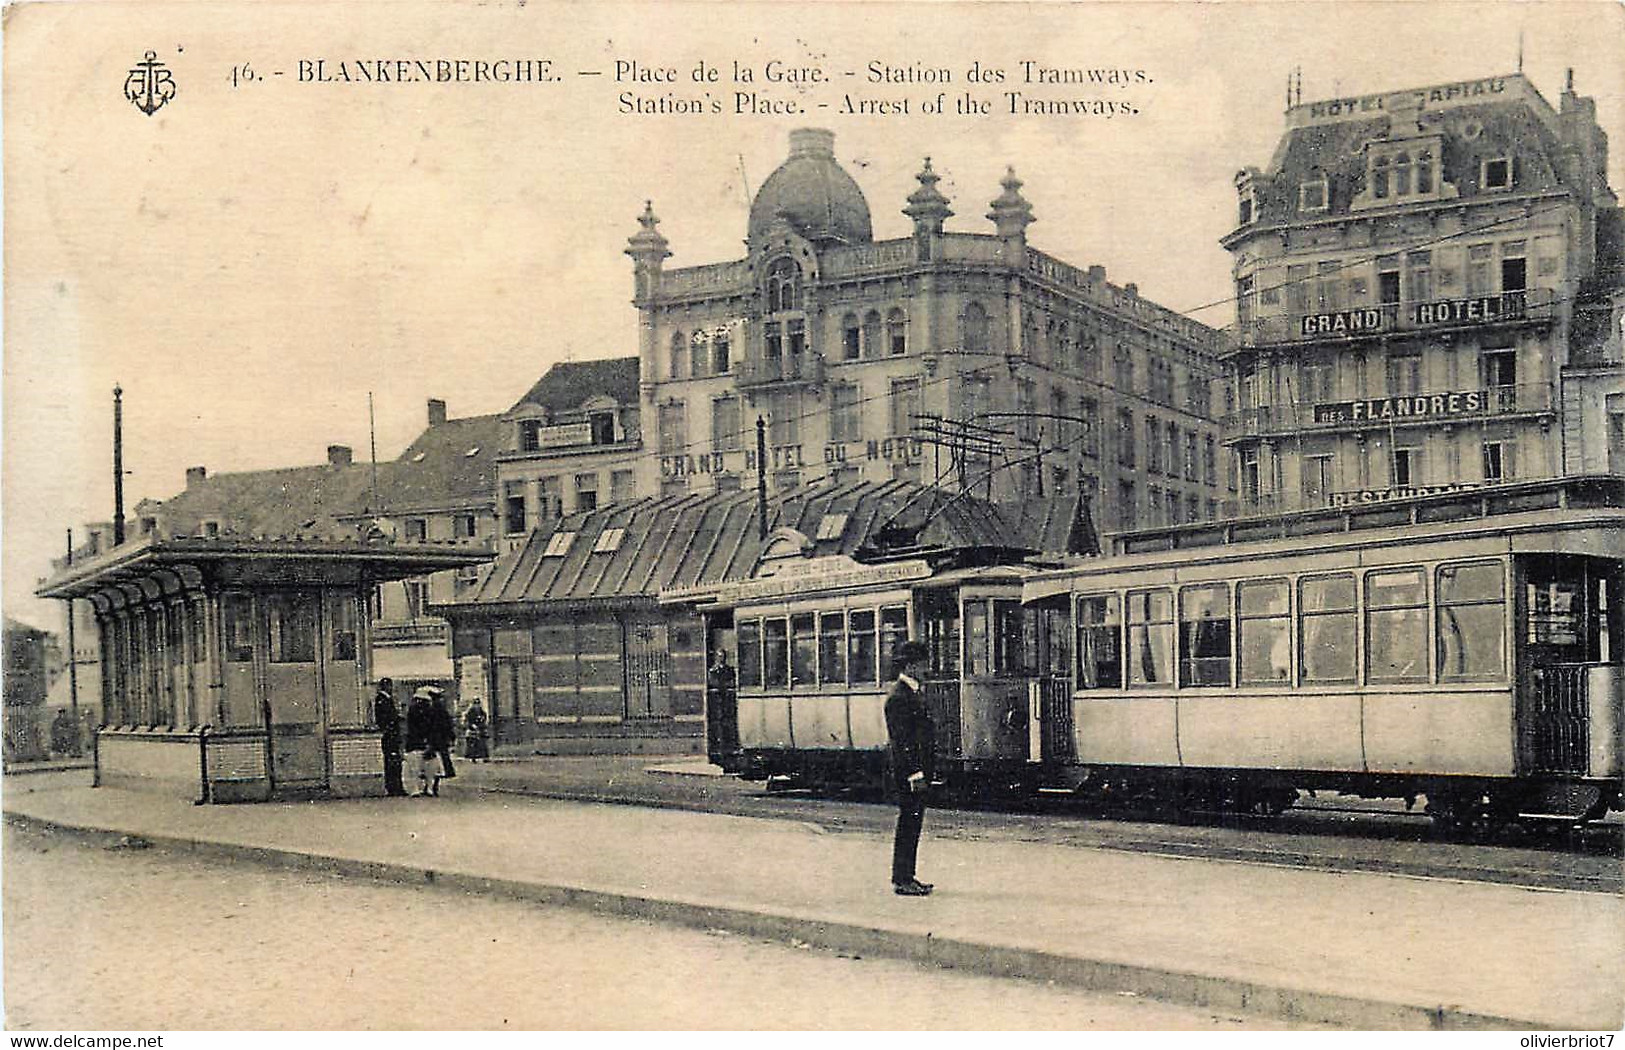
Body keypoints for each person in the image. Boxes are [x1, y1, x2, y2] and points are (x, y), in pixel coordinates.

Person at [884, 640, 935, 897]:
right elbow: (902, 742)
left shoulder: (910, 693)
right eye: (924, 663)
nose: (927, 668)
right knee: (908, 823)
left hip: (915, 771)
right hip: (909, 773)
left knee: (913, 823)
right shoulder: (899, 697)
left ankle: (907, 876)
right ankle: (902, 878)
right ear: (912, 665)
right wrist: (916, 773)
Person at [404, 686, 439, 797]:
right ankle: (428, 787)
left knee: (416, 768)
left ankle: (417, 788)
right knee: (429, 767)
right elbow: (433, 727)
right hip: (424, 742)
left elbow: (411, 728)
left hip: (416, 743)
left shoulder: (413, 710)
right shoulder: (430, 711)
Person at [373, 678, 406, 797]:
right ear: (386, 686)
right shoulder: (382, 699)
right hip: (390, 735)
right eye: (390, 686)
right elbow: (386, 718)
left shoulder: (386, 699)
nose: (391, 689)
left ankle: (395, 787)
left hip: (391, 735)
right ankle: (394, 787)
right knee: (392, 761)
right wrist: (397, 718)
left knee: (394, 761)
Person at [427, 686, 457, 795]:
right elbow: (447, 724)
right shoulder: (441, 709)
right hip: (441, 740)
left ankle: (430, 786)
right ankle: (433, 786)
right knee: (438, 764)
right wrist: (451, 737)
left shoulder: (431, 709)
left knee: (432, 763)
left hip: (434, 740)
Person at [463, 698, 490, 762]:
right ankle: (473, 757)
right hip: (473, 730)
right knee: (473, 744)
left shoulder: (482, 711)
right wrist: (472, 725)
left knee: (482, 743)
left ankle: (484, 757)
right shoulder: (470, 711)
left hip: (480, 729)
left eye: (478, 704)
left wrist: (482, 722)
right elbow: (468, 720)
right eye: (475, 704)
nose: (477, 706)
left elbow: (484, 717)